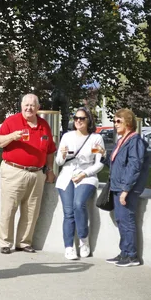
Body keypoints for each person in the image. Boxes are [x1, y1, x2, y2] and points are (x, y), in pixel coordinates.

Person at [0, 93, 57, 254]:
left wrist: (49, 170)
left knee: (31, 210)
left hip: (36, 173)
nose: (29, 108)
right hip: (14, 170)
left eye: (32, 105)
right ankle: (5, 242)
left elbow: (50, 150)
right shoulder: (12, 121)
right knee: (9, 208)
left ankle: (24, 242)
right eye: (26, 105)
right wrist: (12, 136)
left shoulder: (44, 125)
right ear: (21, 106)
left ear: (38, 108)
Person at [54, 107, 105, 260]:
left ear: (88, 120)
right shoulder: (67, 137)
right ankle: (69, 247)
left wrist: (84, 174)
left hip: (87, 176)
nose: (78, 121)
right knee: (68, 212)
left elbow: (99, 163)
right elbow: (58, 161)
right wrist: (62, 156)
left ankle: (83, 239)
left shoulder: (95, 138)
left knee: (78, 204)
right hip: (67, 176)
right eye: (76, 118)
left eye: (82, 118)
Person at [104, 108, 149, 267]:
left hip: (126, 188)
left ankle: (132, 256)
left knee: (127, 220)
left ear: (128, 122)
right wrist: (104, 156)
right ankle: (124, 253)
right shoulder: (122, 140)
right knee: (121, 220)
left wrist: (125, 190)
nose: (115, 124)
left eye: (118, 121)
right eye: (114, 121)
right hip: (118, 186)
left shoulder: (135, 141)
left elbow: (134, 166)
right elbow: (115, 163)